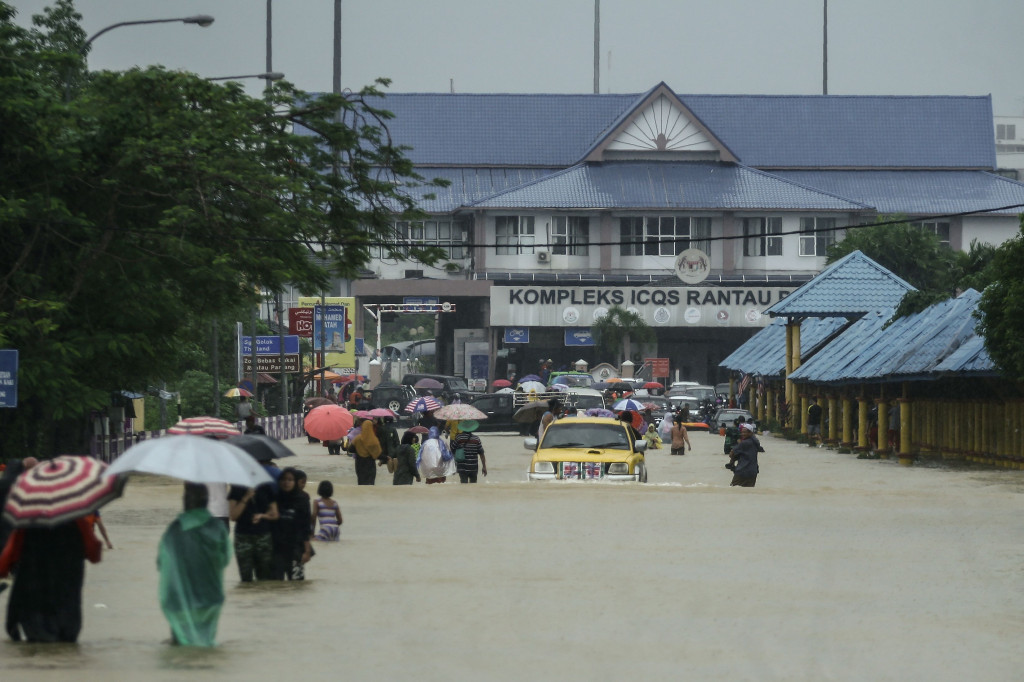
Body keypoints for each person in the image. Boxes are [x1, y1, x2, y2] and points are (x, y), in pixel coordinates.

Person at [1, 516, 102, 642]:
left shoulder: (25, 524)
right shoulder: (78, 521)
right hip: (68, 610)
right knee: (65, 649)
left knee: (36, 649)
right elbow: (94, 554)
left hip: (34, 611)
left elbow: (7, 560)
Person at [157, 483, 231, 647]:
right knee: (206, 641)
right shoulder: (217, 527)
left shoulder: (175, 529)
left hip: (178, 595)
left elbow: (162, 562)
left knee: (179, 642)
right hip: (209, 594)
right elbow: (225, 558)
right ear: (206, 501)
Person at [227, 478, 278, 582]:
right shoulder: (236, 488)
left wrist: (262, 516)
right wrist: (246, 497)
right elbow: (233, 516)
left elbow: (275, 514)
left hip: (263, 536)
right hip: (243, 537)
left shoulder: (265, 486)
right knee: (245, 578)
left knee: (264, 578)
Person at [271, 468, 312, 581]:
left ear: (295, 482)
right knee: (275, 584)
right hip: (276, 548)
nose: (286, 482)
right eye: (283, 479)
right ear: (279, 481)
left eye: (290, 480)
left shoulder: (302, 499)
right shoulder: (275, 497)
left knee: (297, 585)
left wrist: (307, 550)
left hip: (296, 548)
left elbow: (306, 525)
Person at [350, 418, 384, 485]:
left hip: (359, 465)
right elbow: (378, 454)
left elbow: (350, 449)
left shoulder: (357, 439)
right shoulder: (374, 440)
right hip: (370, 466)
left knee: (361, 484)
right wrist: (386, 458)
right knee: (370, 484)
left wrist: (358, 448)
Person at [727, 423, 760, 487]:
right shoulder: (756, 442)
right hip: (753, 472)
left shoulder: (744, 443)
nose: (742, 434)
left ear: (750, 433)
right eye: (742, 432)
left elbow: (731, 454)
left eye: (745, 432)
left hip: (742, 471)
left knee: (733, 489)